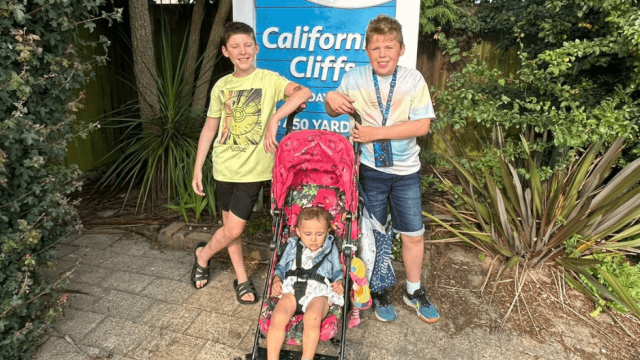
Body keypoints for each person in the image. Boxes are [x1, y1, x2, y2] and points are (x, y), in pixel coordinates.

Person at [324, 14, 439, 323]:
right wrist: (331, 97)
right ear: (366, 50)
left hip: (406, 173)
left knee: (413, 233)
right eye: (376, 48)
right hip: (369, 172)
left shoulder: (413, 79)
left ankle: (413, 290)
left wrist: (375, 133)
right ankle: (379, 289)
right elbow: (332, 109)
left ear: (401, 49)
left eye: (389, 46)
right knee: (373, 236)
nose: (383, 54)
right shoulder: (354, 77)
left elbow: (423, 125)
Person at [191, 21, 312, 305]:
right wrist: (198, 167)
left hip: (253, 170)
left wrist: (275, 118)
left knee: (234, 228)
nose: (242, 51)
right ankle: (242, 278)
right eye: (235, 46)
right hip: (224, 166)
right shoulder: (222, 86)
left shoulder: (269, 80)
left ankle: (204, 254)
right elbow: (210, 128)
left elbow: (303, 92)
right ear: (225, 51)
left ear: (256, 48)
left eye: (247, 45)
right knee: (229, 226)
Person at [267, 206, 344, 360]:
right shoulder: (293, 245)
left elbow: (337, 271)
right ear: (299, 232)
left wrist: (339, 282)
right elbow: (281, 266)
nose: (313, 239)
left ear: (328, 231)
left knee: (313, 316)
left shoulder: (330, 247)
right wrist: (277, 279)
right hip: (292, 288)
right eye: (308, 234)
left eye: (319, 234)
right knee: (279, 315)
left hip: (319, 291)